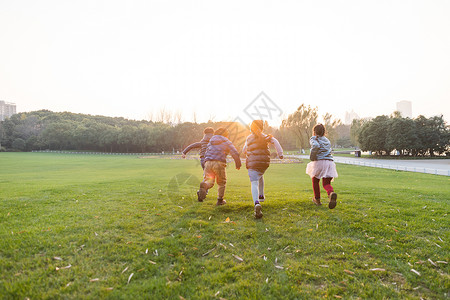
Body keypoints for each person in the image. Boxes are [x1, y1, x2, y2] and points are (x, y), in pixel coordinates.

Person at [242, 120, 283, 219]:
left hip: (253, 163)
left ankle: (256, 203)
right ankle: (261, 196)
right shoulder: (265, 136)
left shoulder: (248, 138)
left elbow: (244, 150)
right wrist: (280, 154)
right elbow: (275, 142)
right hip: (264, 163)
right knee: (260, 175)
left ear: (251, 128)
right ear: (262, 128)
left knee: (254, 182)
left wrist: (246, 153)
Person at [197, 127, 241, 205]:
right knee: (221, 182)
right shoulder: (226, 140)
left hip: (208, 162)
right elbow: (234, 151)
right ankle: (220, 200)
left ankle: (205, 185)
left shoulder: (211, 141)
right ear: (226, 135)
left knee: (209, 181)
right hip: (219, 163)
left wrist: (205, 162)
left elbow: (207, 151)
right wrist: (238, 162)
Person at [305, 124, 338, 209]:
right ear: (324, 132)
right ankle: (331, 193)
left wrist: (312, 157)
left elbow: (315, 146)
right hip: (329, 162)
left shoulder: (314, 138)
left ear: (314, 132)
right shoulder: (327, 140)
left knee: (315, 181)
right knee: (326, 183)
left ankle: (317, 199)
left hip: (320, 162)